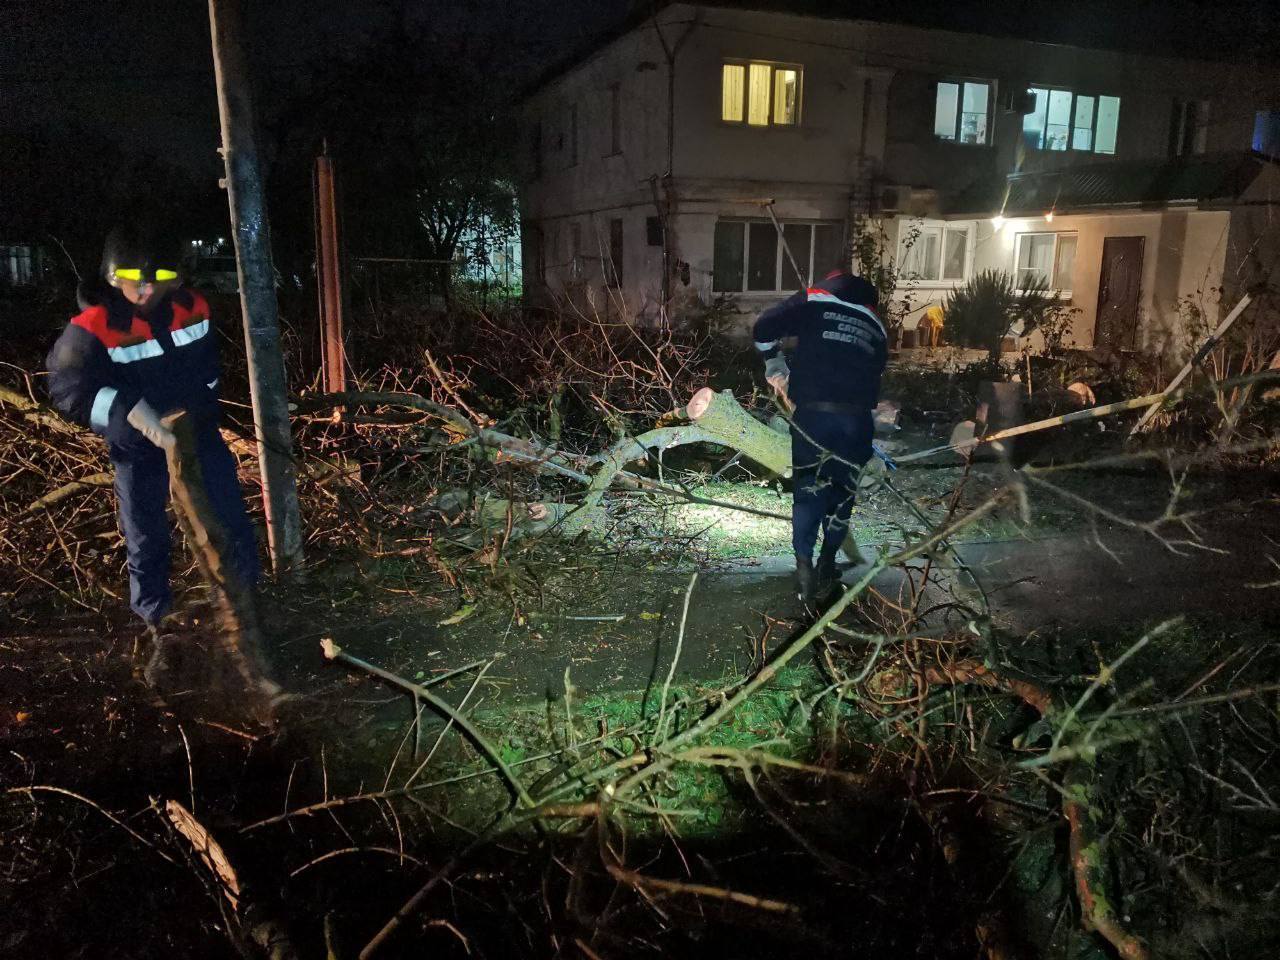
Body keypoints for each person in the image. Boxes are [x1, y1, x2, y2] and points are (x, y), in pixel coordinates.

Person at [46, 223, 260, 638]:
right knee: (145, 535)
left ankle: (245, 601)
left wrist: (203, 408)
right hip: (137, 448)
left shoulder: (192, 308)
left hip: (198, 436)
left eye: (157, 281)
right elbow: (67, 390)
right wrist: (126, 411)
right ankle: (157, 622)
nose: (145, 292)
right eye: (134, 282)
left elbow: (207, 367)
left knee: (230, 516)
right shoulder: (91, 328)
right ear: (113, 278)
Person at [753, 269, 888, 605]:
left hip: (815, 415)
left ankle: (803, 569)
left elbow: (763, 328)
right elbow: (875, 371)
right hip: (857, 422)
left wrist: (774, 360)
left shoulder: (815, 299)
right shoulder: (877, 326)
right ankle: (828, 564)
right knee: (842, 494)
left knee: (808, 490)